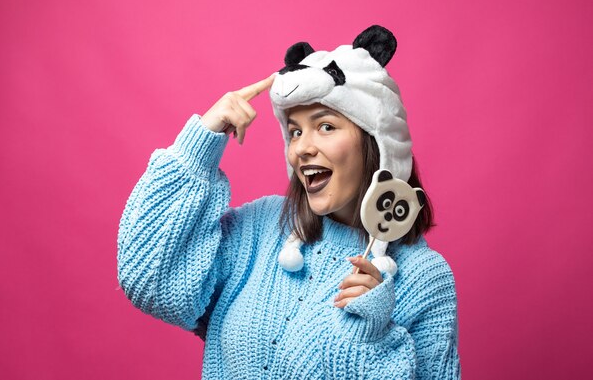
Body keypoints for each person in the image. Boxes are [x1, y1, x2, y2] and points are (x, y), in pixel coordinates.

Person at [117, 25, 460, 379]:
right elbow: (150, 281)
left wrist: (371, 337)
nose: (301, 147)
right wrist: (201, 143)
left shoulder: (424, 277)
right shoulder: (261, 227)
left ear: (377, 142)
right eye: (295, 131)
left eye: (325, 126)